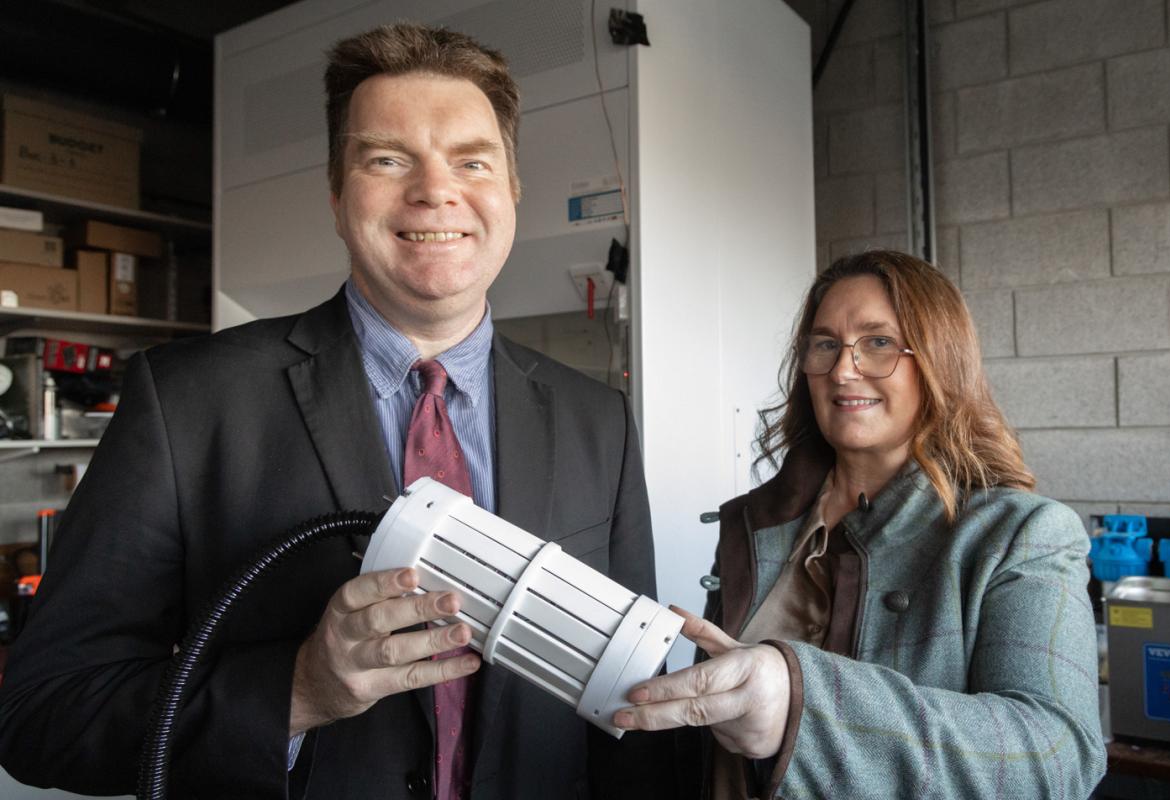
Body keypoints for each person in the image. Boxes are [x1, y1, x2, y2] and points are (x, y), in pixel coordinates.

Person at [0, 23, 669, 800]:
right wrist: (298, 691)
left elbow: (632, 715)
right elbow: (44, 715)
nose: (435, 190)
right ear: (336, 192)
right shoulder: (186, 402)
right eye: (387, 159)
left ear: (511, 189)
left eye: (472, 161)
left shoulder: (600, 421)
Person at [614, 250, 1106, 799]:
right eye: (826, 344)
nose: (844, 369)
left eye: (878, 343)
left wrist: (802, 705)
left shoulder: (1019, 535)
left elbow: (1059, 757)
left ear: (940, 361)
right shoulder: (755, 525)